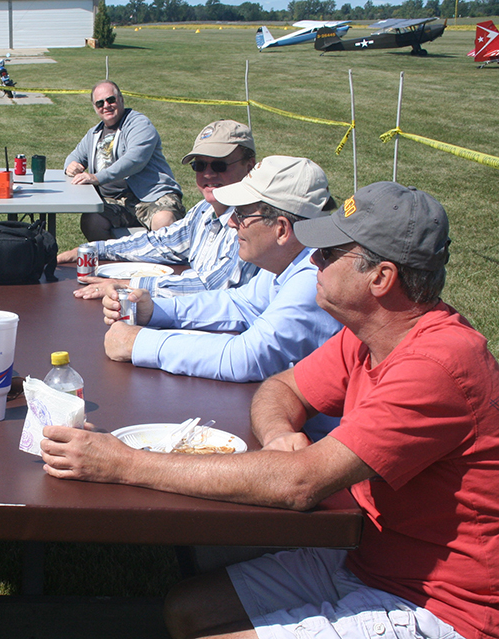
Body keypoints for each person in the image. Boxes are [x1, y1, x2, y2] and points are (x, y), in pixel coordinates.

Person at [41, 182, 499, 639]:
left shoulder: (438, 364)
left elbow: (300, 484)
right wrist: (281, 435)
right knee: (188, 609)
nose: (312, 259)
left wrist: (123, 463)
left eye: (327, 253)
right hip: (366, 556)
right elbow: (280, 388)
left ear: (380, 278)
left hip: (442, 605)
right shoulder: (368, 334)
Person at [101, 156, 342, 384]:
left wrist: (138, 343)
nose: (231, 221)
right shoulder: (296, 257)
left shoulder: (316, 277)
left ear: (281, 229)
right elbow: (240, 304)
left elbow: (247, 358)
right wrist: (154, 310)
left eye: (242, 213)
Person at [60, 120, 260, 300]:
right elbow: (160, 242)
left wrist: (127, 286)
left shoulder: (254, 220)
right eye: (199, 165)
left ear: (249, 166)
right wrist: (93, 250)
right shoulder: (204, 211)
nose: (207, 174)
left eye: (219, 165)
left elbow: (213, 287)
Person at [65, 80, 185, 241]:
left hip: (151, 197)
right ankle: (114, 262)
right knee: (92, 221)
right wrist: (70, 167)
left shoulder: (139, 124)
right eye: (100, 103)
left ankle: (155, 265)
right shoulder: (94, 133)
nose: (106, 105)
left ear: (121, 99)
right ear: (95, 107)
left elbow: (134, 160)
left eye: (111, 100)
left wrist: (96, 177)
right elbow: (73, 157)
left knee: (164, 222)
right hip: (114, 202)